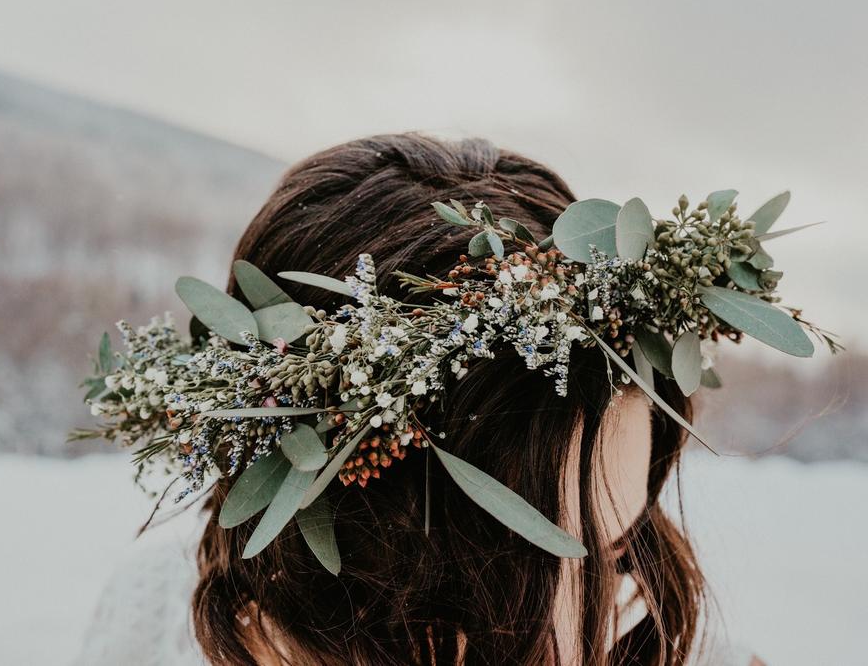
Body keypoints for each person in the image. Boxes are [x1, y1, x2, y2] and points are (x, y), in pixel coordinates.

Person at [77, 133, 774, 665]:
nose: (571, 634)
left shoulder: (676, 644)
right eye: (497, 587)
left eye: (613, 547)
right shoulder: (150, 622)